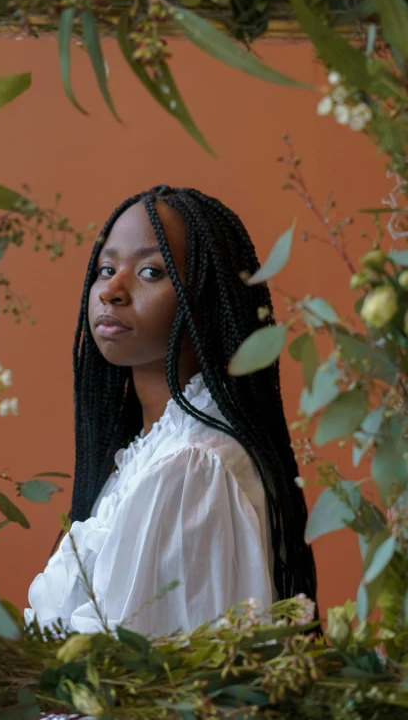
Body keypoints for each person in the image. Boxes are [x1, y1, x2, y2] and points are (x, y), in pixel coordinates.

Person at [24, 185, 317, 639]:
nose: (112, 291)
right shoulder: (149, 454)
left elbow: (131, 681)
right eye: (106, 268)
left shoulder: (191, 469)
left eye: (149, 271)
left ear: (205, 301)